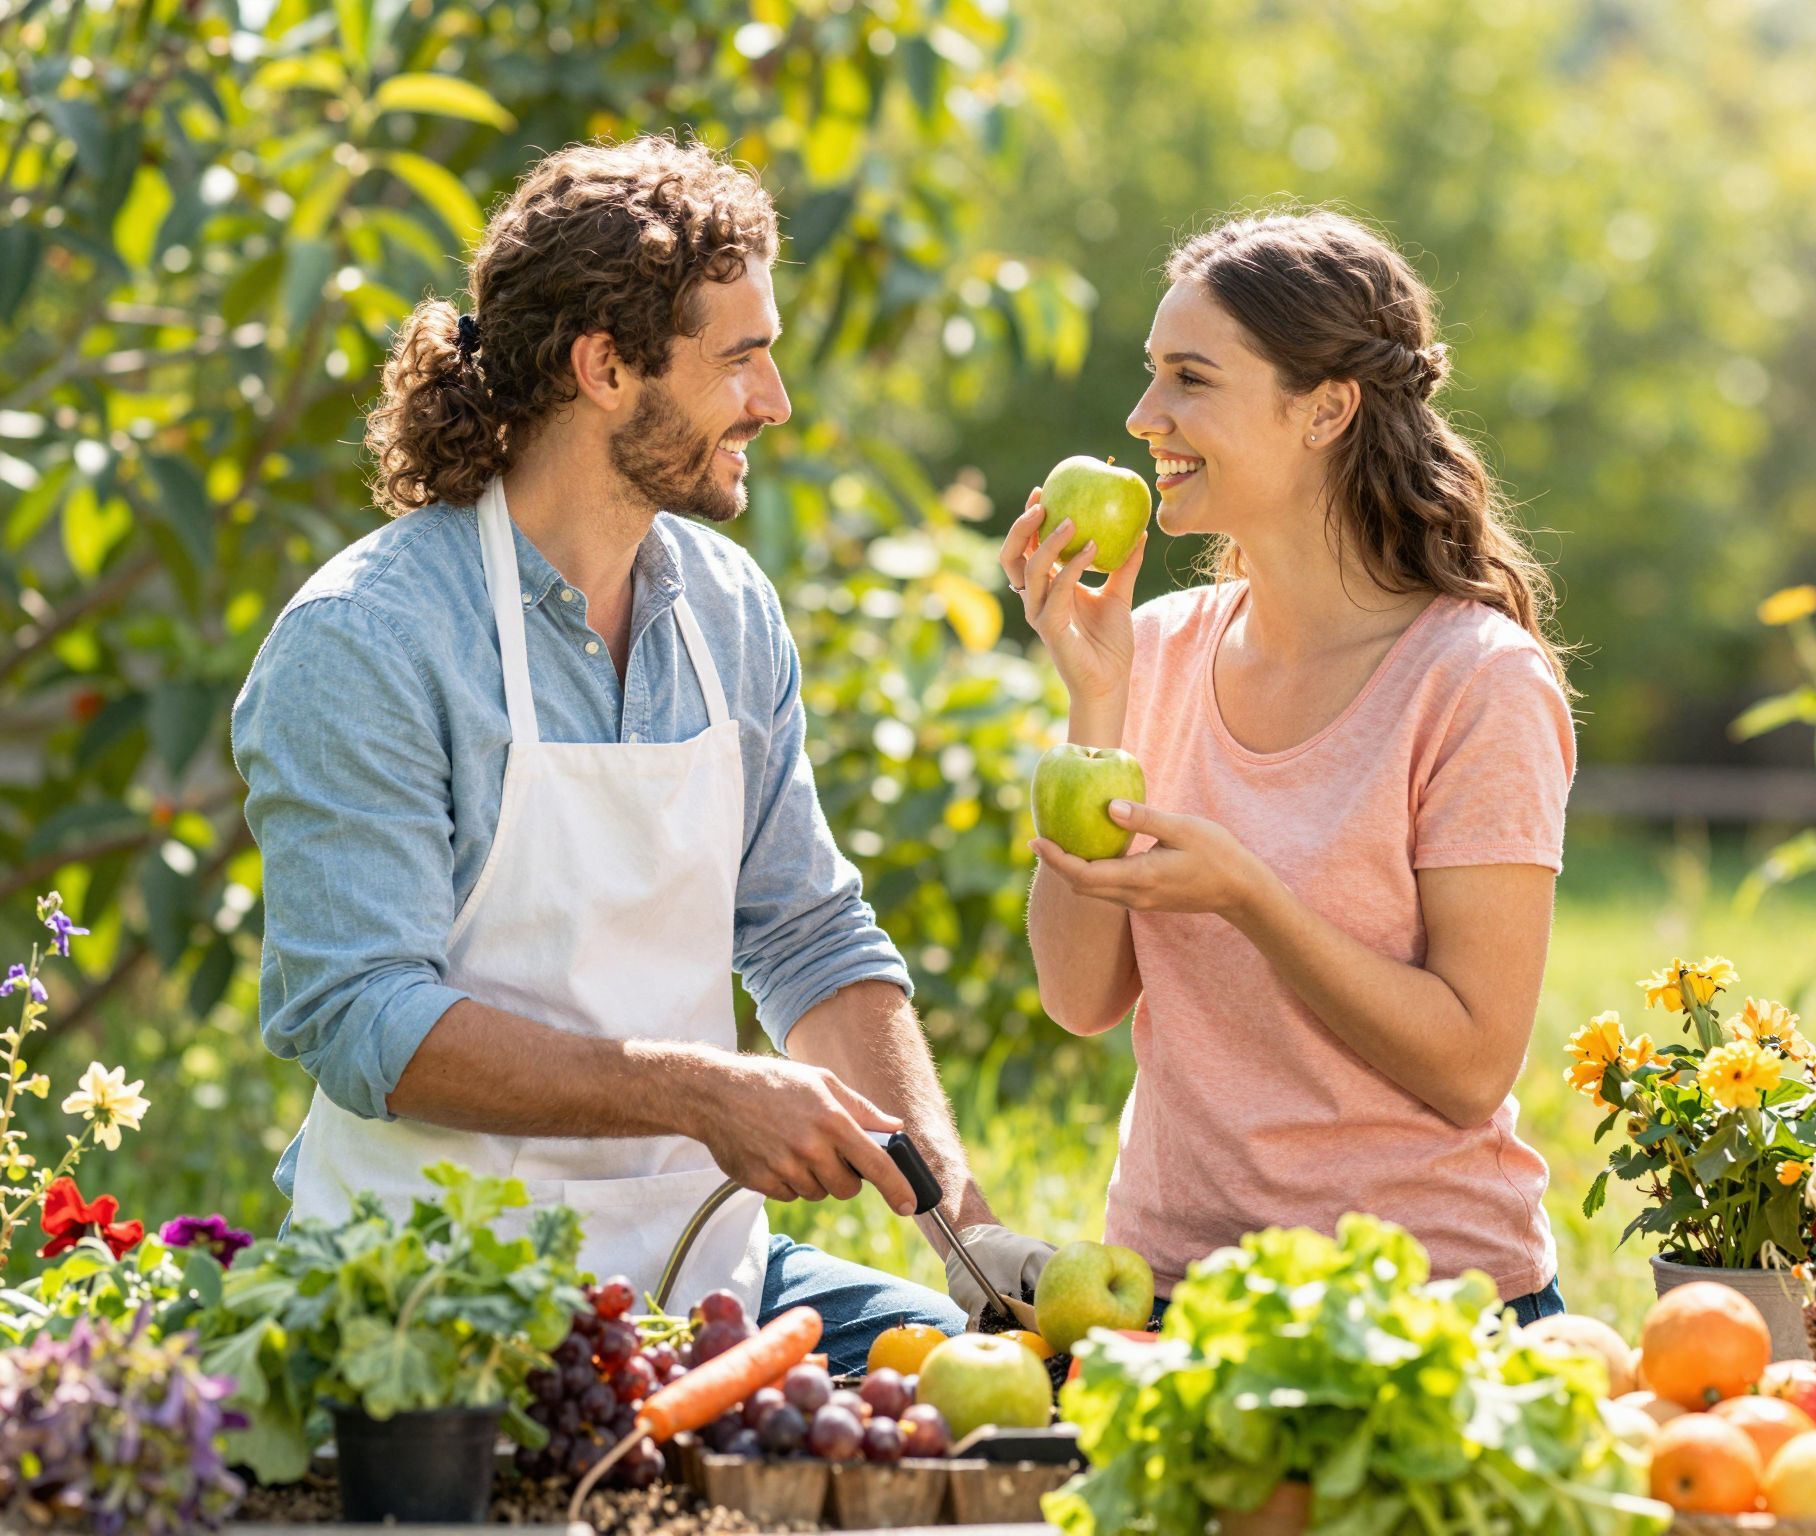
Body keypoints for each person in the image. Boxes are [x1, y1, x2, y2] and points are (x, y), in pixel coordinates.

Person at [231, 135, 1040, 1370]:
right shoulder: (370, 639)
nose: (772, 403)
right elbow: (363, 1019)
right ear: (604, 366)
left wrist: (967, 1238)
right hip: (437, 1290)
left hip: (703, 1272)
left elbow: (806, 934)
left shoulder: (723, 605)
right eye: (741, 359)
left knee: (992, 1380)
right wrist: (701, 1092)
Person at [1002, 209, 1576, 1326]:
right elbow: (1078, 998)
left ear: (1323, 408)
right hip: (1170, 1293)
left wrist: (1249, 898)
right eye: (1148, 375)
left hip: (1418, 1306)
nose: (1141, 416)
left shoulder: (1473, 682)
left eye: (1188, 379)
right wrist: (1095, 700)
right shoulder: (1155, 651)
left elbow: (1468, 1064)